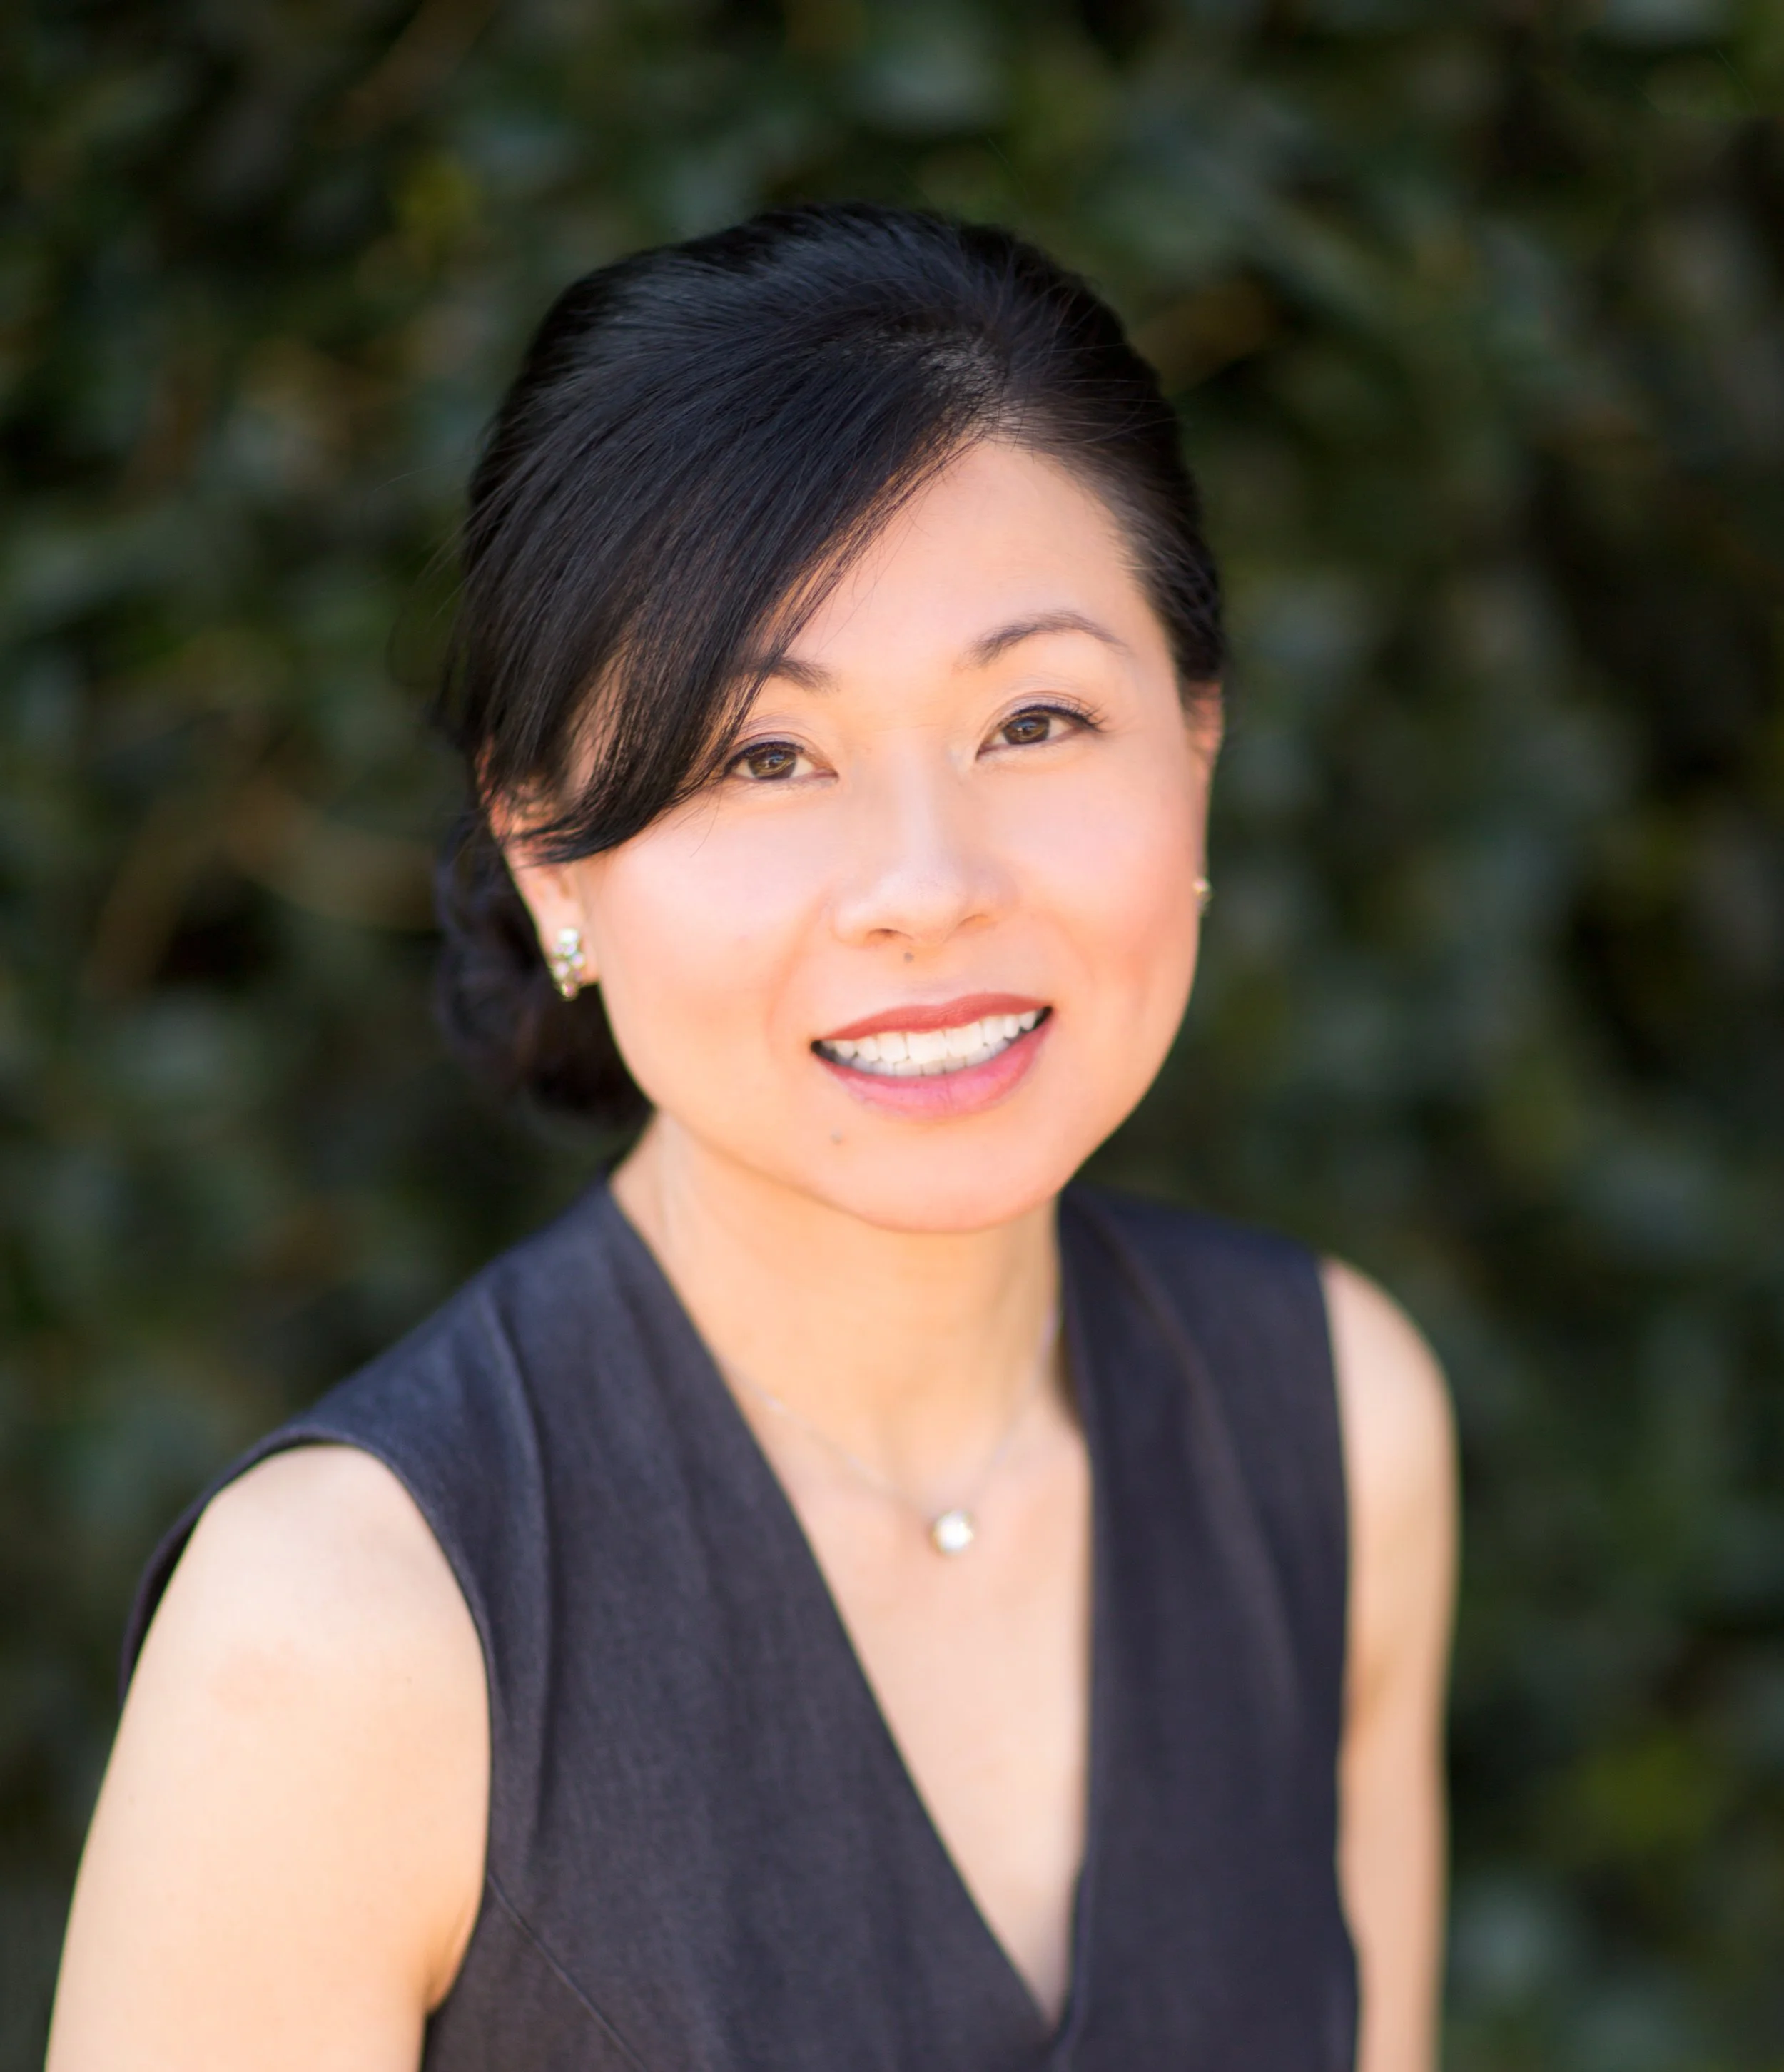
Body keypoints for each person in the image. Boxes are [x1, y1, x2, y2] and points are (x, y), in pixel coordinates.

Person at [46, 205, 1456, 2072]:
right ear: (551, 850)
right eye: (758, 756)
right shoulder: (341, 1638)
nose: (923, 888)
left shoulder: (1331, 1428)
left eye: (1033, 718)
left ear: (1193, 746)